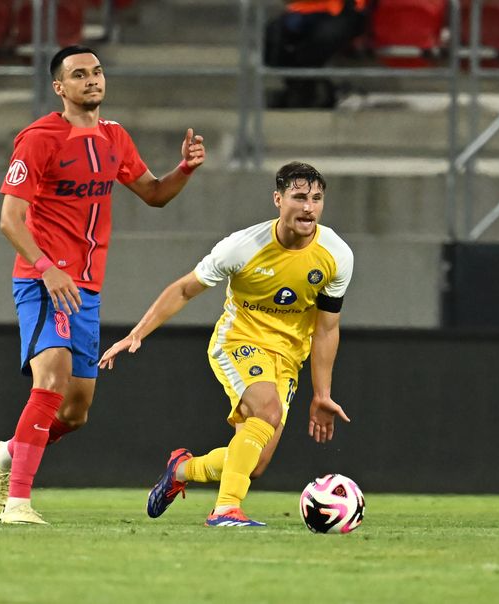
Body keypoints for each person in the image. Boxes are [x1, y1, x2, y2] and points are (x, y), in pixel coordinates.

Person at [0, 45, 206, 525]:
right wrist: (46, 266)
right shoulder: (39, 138)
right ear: (59, 88)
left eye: (97, 71)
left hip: (85, 288)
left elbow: (153, 194)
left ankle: (10, 452)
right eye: (79, 74)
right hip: (45, 280)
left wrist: (184, 170)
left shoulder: (114, 137)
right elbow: (9, 220)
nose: (92, 80)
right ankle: (18, 503)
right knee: (51, 379)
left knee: (76, 411)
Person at [99, 161, 353, 527]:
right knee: (267, 412)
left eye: (316, 199)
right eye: (299, 197)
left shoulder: (337, 255)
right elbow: (185, 288)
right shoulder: (243, 247)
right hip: (239, 340)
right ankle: (225, 509)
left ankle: (182, 470)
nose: (308, 208)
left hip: (288, 356)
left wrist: (322, 393)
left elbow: (327, 328)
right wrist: (137, 332)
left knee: (255, 462)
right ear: (278, 199)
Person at [264, 0, 368, 109]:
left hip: (342, 10)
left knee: (321, 41)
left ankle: (307, 90)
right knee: (271, 40)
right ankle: (301, 85)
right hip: (302, 10)